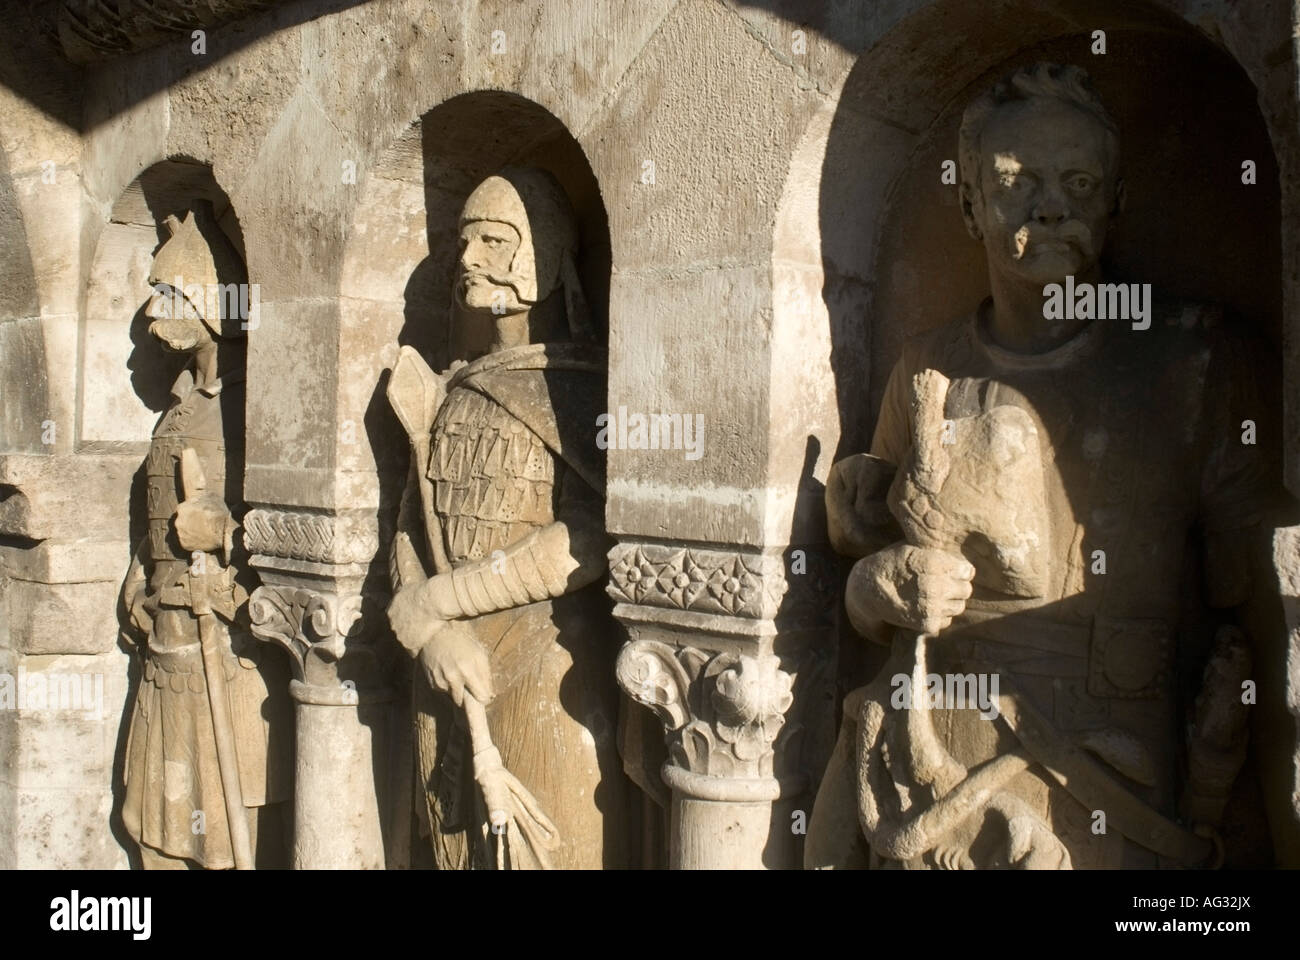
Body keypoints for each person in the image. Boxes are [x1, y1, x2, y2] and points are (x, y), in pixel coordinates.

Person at [806, 63, 1270, 869]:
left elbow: (1257, 588)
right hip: (937, 767)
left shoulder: (1195, 364)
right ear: (969, 201)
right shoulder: (927, 367)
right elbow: (870, 562)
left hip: (1113, 784)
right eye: (1017, 180)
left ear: (1116, 200)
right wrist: (875, 587)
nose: (1051, 205)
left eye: (1080, 181)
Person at [386, 168, 636, 868]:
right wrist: (429, 629)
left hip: (543, 664)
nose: (468, 259)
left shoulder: (579, 388)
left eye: (495, 241)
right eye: (466, 242)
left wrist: (440, 601)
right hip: (444, 669)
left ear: (543, 258)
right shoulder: (454, 386)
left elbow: (589, 537)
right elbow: (412, 519)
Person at [121, 202, 291, 869]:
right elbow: (157, 521)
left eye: (168, 295)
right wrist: (139, 575)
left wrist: (224, 535)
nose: (153, 311)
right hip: (164, 636)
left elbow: (299, 530)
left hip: (226, 646)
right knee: (152, 826)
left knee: (223, 838)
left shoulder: (258, 401)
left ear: (211, 303)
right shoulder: (183, 404)